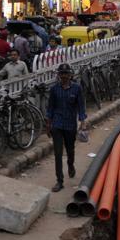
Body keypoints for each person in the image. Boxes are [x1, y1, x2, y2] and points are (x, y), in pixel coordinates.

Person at [45, 63, 87, 192]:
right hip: (57, 124)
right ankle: (59, 180)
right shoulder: (54, 89)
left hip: (70, 124)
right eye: (61, 74)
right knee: (58, 153)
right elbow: (50, 106)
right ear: (59, 75)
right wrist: (48, 123)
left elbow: (81, 105)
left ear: (70, 75)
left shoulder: (76, 88)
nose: (64, 76)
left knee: (70, 150)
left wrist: (82, 120)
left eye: (66, 74)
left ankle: (70, 164)